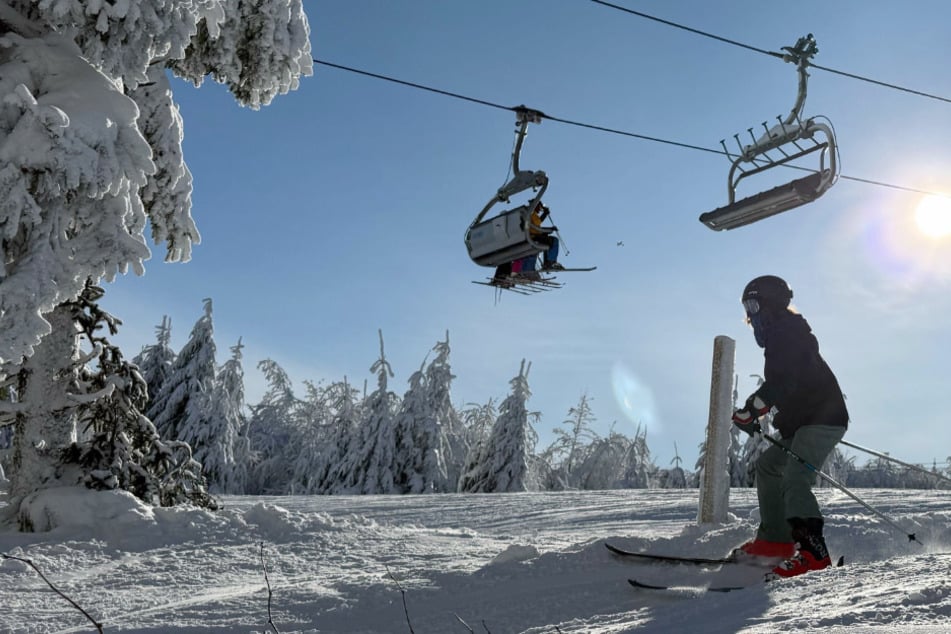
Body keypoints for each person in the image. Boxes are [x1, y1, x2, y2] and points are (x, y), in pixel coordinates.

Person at [731, 275, 849, 578]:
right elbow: (786, 386)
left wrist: (754, 408)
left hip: (822, 418)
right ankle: (776, 541)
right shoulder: (779, 339)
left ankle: (814, 552)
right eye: (747, 307)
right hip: (804, 421)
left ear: (770, 303)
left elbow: (786, 380)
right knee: (770, 465)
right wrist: (757, 412)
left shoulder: (789, 333)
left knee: (796, 477)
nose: (750, 314)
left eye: (754, 304)